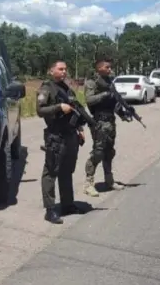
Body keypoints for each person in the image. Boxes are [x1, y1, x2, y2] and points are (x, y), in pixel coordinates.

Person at [36, 60, 87, 224]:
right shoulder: (46, 88)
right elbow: (40, 110)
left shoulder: (67, 89)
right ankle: (50, 210)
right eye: (60, 69)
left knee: (67, 171)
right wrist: (58, 107)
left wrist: (80, 129)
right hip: (55, 136)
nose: (64, 72)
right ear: (51, 71)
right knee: (51, 172)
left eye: (65, 69)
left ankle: (68, 204)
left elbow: (75, 110)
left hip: (70, 135)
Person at [82, 59, 125, 197]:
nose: (110, 69)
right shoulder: (92, 82)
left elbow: (114, 102)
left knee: (109, 151)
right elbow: (89, 100)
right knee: (98, 152)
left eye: (110, 67)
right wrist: (105, 94)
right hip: (99, 122)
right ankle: (88, 184)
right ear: (99, 68)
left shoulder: (109, 82)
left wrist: (123, 113)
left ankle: (109, 180)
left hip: (110, 121)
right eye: (107, 67)